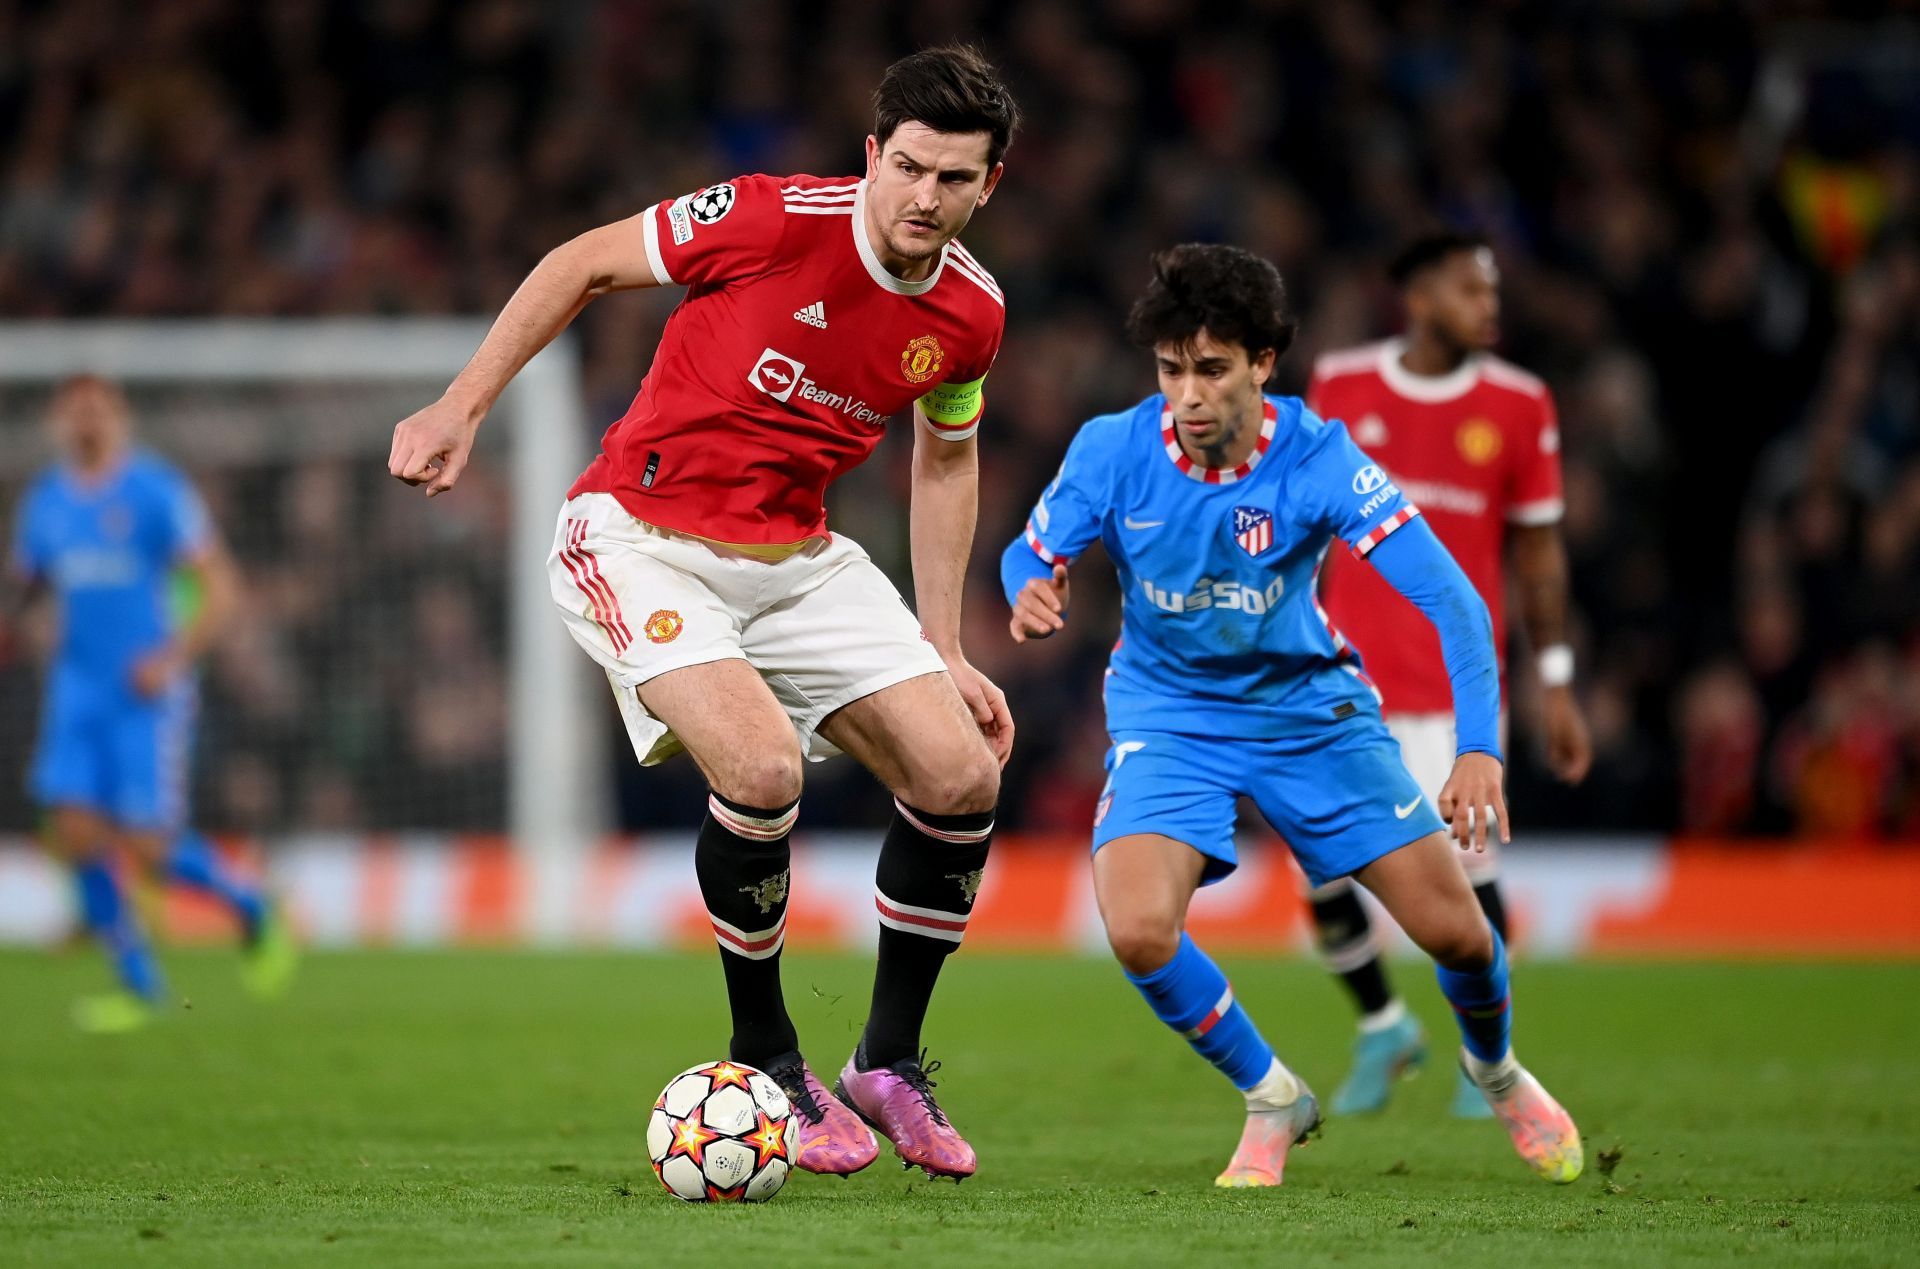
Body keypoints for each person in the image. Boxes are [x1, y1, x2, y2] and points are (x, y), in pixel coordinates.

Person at [388, 46, 1019, 1182]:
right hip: (639, 539)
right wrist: (460, 403)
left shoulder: (972, 316)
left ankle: (887, 1061)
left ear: (990, 187)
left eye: (955, 180)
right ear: (873, 156)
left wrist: (945, 643)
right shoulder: (775, 218)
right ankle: (768, 1055)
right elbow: (582, 263)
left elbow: (945, 457)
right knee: (764, 769)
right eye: (911, 168)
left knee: (963, 774)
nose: (926, 198)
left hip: (798, 560)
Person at [1002, 244, 1582, 1187]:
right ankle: (1272, 1093)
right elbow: (1026, 556)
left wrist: (1479, 748)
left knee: (1461, 937)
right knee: (1141, 928)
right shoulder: (1112, 449)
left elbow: (1457, 602)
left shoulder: (1319, 458)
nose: (1188, 395)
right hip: (1171, 714)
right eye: (1171, 368)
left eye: (1212, 368)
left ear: (1264, 363)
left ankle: (1497, 1067)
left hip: (1309, 713)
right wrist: (1033, 589)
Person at [1310, 232, 1593, 1118]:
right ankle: (1383, 1025)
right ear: (1421, 300)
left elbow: (1539, 555)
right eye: (1472, 290)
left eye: (1492, 289)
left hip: (1449, 688)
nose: (1490, 306)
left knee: (1465, 879)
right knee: (1321, 874)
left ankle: (1486, 1055)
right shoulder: (1342, 385)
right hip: (1340, 682)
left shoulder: (1519, 402)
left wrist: (1555, 679)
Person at [3, 375, 296, 1034]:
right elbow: (28, 589)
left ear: (119, 417)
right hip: (76, 689)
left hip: (147, 694)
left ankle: (251, 905)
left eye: (97, 409)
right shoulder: (46, 502)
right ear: (56, 421)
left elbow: (220, 586)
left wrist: (172, 657)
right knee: (75, 831)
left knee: (147, 847)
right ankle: (139, 983)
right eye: (73, 409)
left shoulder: (155, 491)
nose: (85, 421)